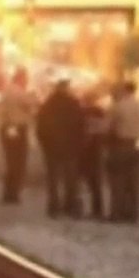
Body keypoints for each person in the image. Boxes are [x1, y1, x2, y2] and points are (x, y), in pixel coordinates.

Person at [35, 78, 85, 218]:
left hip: (52, 148)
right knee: (71, 178)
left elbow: (40, 128)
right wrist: (79, 145)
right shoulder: (74, 104)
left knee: (53, 179)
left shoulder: (47, 105)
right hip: (70, 148)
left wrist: (45, 144)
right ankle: (70, 205)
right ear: (65, 89)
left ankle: (54, 207)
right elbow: (81, 126)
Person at [105, 80, 139, 222]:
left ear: (124, 90)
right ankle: (133, 213)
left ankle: (117, 213)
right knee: (133, 181)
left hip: (120, 145)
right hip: (136, 145)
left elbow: (108, 127)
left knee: (118, 180)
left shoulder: (117, 107)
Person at [0, 67, 38, 204]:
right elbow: (32, 104)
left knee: (10, 161)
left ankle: (8, 192)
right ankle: (13, 194)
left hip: (6, 128)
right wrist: (34, 96)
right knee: (18, 162)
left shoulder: (6, 90)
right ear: (20, 78)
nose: (27, 81)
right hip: (17, 129)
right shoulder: (19, 92)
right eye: (26, 79)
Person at [78, 87, 109, 220]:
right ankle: (98, 209)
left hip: (83, 150)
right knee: (96, 182)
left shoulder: (80, 112)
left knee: (80, 180)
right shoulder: (100, 111)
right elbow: (103, 130)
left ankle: (78, 207)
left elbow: (79, 131)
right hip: (96, 150)